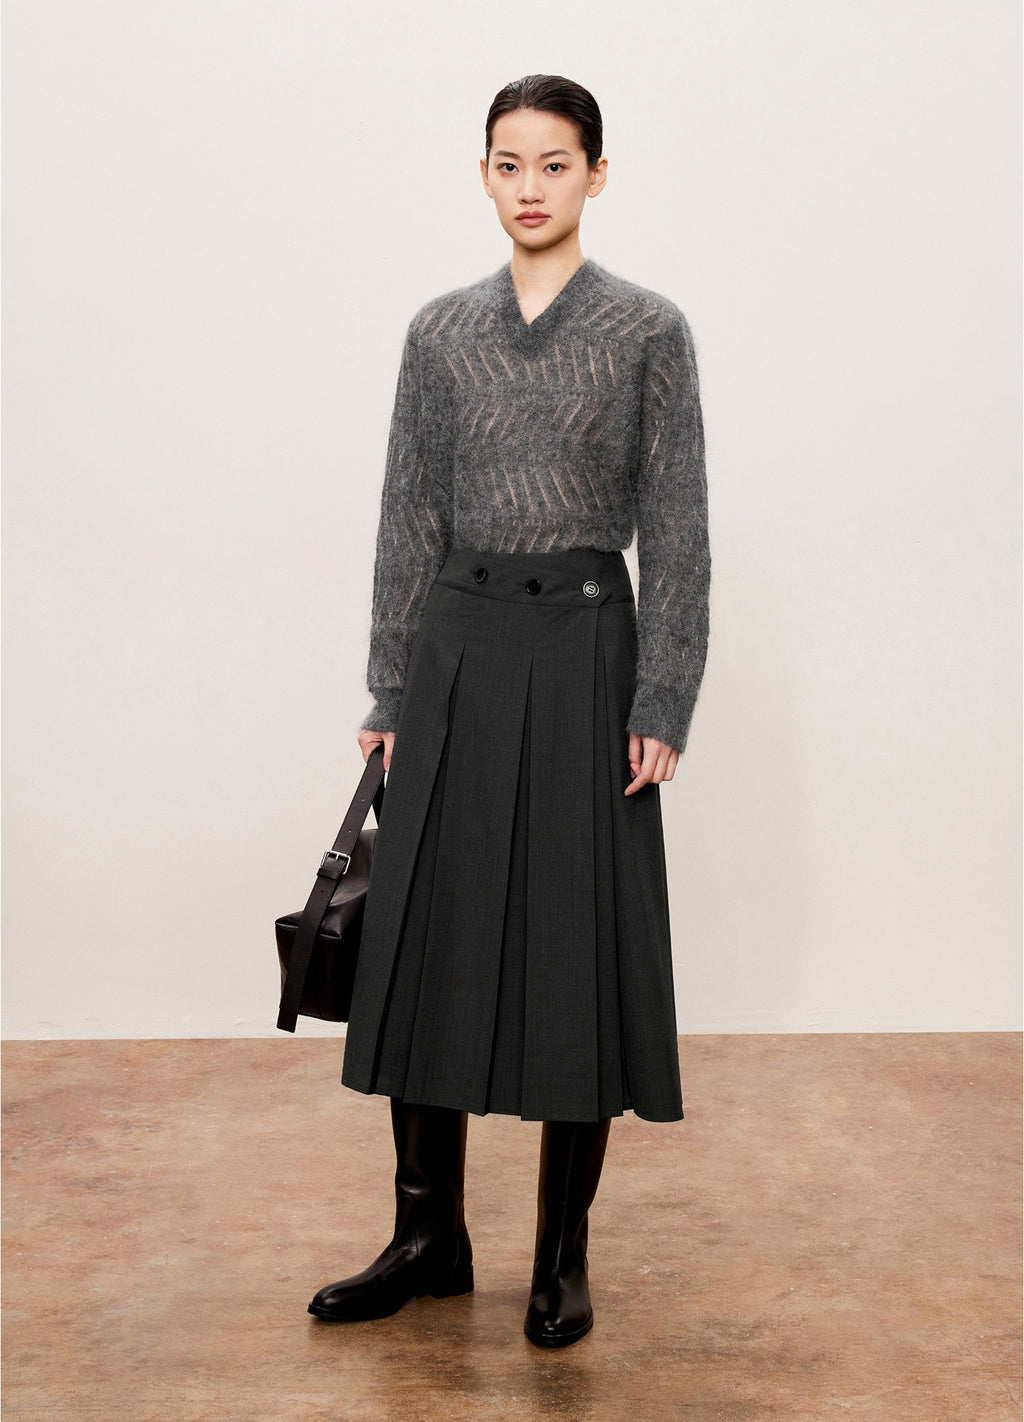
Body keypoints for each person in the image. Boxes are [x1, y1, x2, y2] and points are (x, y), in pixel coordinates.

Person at [308, 73, 711, 1349]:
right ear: (482, 174)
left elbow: (678, 528)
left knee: (572, 943)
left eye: (553, 163)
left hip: (587, 650)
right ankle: (426, 1236)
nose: (529, 187)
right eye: (507, 163)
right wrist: (390, 682)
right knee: (426, 935)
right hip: (457, 649)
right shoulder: (440, 333)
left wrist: (663, 694)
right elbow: (407, 514)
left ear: (597, 173)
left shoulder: (646, 330)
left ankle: (560, 1256)